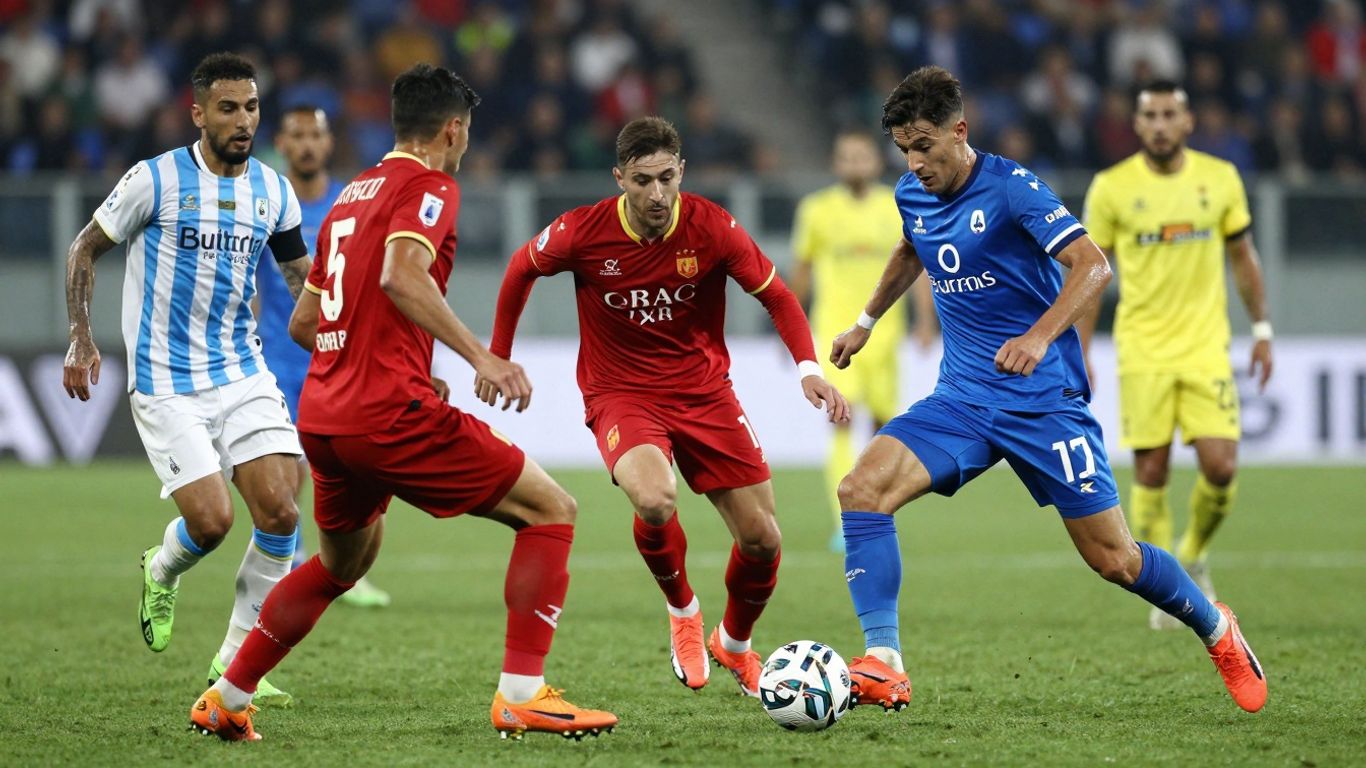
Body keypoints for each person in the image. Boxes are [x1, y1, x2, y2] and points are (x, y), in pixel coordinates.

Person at [187, 63, 617, 742]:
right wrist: (483, 359)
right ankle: (523, 694)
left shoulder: (351, 196)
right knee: (551, 511)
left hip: (326, 419)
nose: (466, 142)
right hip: (385, 414)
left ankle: (228, 696)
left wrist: (398, 358)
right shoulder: (430, 185)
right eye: (466, 131)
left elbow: (307, 324)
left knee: (339, 566)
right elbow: (399, 274)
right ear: (453, 129)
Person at [829, 66, 1266, 714]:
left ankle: (1216, 627)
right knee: (861, 490)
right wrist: (866, 321)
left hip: (1041, 401)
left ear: (960, 130)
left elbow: (1094, 265)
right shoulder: (911, 195)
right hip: (966, 398)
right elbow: (911, 249)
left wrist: (1039, 337)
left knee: (1115, 560)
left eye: (924, 145)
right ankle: (885, 662)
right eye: (903, 149)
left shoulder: (1011, 188)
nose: (914, 162)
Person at [491, 116, 849, 698]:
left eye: (666, 178)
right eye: (642, 181)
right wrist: (498, 356)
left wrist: (808, 370)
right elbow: (519, 268)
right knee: (655, 499)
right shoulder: (583, 231)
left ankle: (733, 645)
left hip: (705, 393)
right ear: (619, 179)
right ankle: (683, 610)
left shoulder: (712, 227)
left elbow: (778, 296)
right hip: (621, 393)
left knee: (763, 540)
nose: (657, 194)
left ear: (681, 170)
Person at [63, 52, 309, 707]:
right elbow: (85, 246)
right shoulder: (156, 180)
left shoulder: (272, 190)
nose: (242, 120)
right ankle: (162, 566)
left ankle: (235, 664)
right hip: (166, 377)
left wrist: (352, 337)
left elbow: (300, 282)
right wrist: (82, 337)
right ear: (197, 112)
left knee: (282, 511)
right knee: (211, 522)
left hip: (242, 369)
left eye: (251, 107)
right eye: (228, 108)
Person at [1081, 81, 1273, 631]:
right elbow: (1090, 273)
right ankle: (1168, 589)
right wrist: (1082, 347)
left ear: (1188, 122)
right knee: (1152, 469)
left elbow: (1243, 257)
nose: (1160, 124)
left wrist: (1261, 328)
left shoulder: (1220, 179)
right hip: (1142, 349)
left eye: (1170, 114)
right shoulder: (1112, 188)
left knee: (1221, 466)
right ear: (1137, 125)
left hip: (1205, 348)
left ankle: (1191, 552)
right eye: (1150, 115)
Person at [257, 104, 390, 609]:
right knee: (285, 476)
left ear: (329, 143)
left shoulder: (351, 204)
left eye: (317, 134)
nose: (309, 144)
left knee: (358, 471)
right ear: (283, 145)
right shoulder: (269, 206)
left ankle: (349, 569)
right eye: (298, 135)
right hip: (276, 360)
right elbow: (249, 283)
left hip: (339, 359)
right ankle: (290, 570)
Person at [790, 128, 936, 553]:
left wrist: (925, 321)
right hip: (835, 332)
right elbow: (801, 272)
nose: (855, 164)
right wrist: (791, 330)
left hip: (883, 335)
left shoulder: (897, 203)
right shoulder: (816, 210)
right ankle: (843, 519)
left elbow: (919, 263)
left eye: (862, 156)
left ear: (876, 161)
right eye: (846, 157)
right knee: (841, 419)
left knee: (882, 428)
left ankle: (875, 509)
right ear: (836, 164)